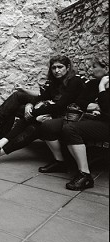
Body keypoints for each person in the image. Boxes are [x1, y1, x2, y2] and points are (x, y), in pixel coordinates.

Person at [0, 55, 86, 162]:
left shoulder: (74, 81)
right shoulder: (54, 82)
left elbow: (61, 105)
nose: (57, 70)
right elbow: (42, 97)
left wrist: (35, 113)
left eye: (60, 67)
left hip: (70, 117)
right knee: (29, 119)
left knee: (33, 124)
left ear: (68, 67)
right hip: (54, 113)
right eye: (54, 68)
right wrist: (30, 105)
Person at [37, 58, 109, 190]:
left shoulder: (100, 85)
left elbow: (106, 108)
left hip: (106, 123)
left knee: (71, 129)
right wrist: (92, 106)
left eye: (94, 67)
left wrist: (102, 88)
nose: (90, 69)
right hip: (90, 118)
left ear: (106, 69)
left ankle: (85, 175)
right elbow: (81, 101)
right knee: (50, 126)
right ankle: (62, 163)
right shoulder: (92, 83)